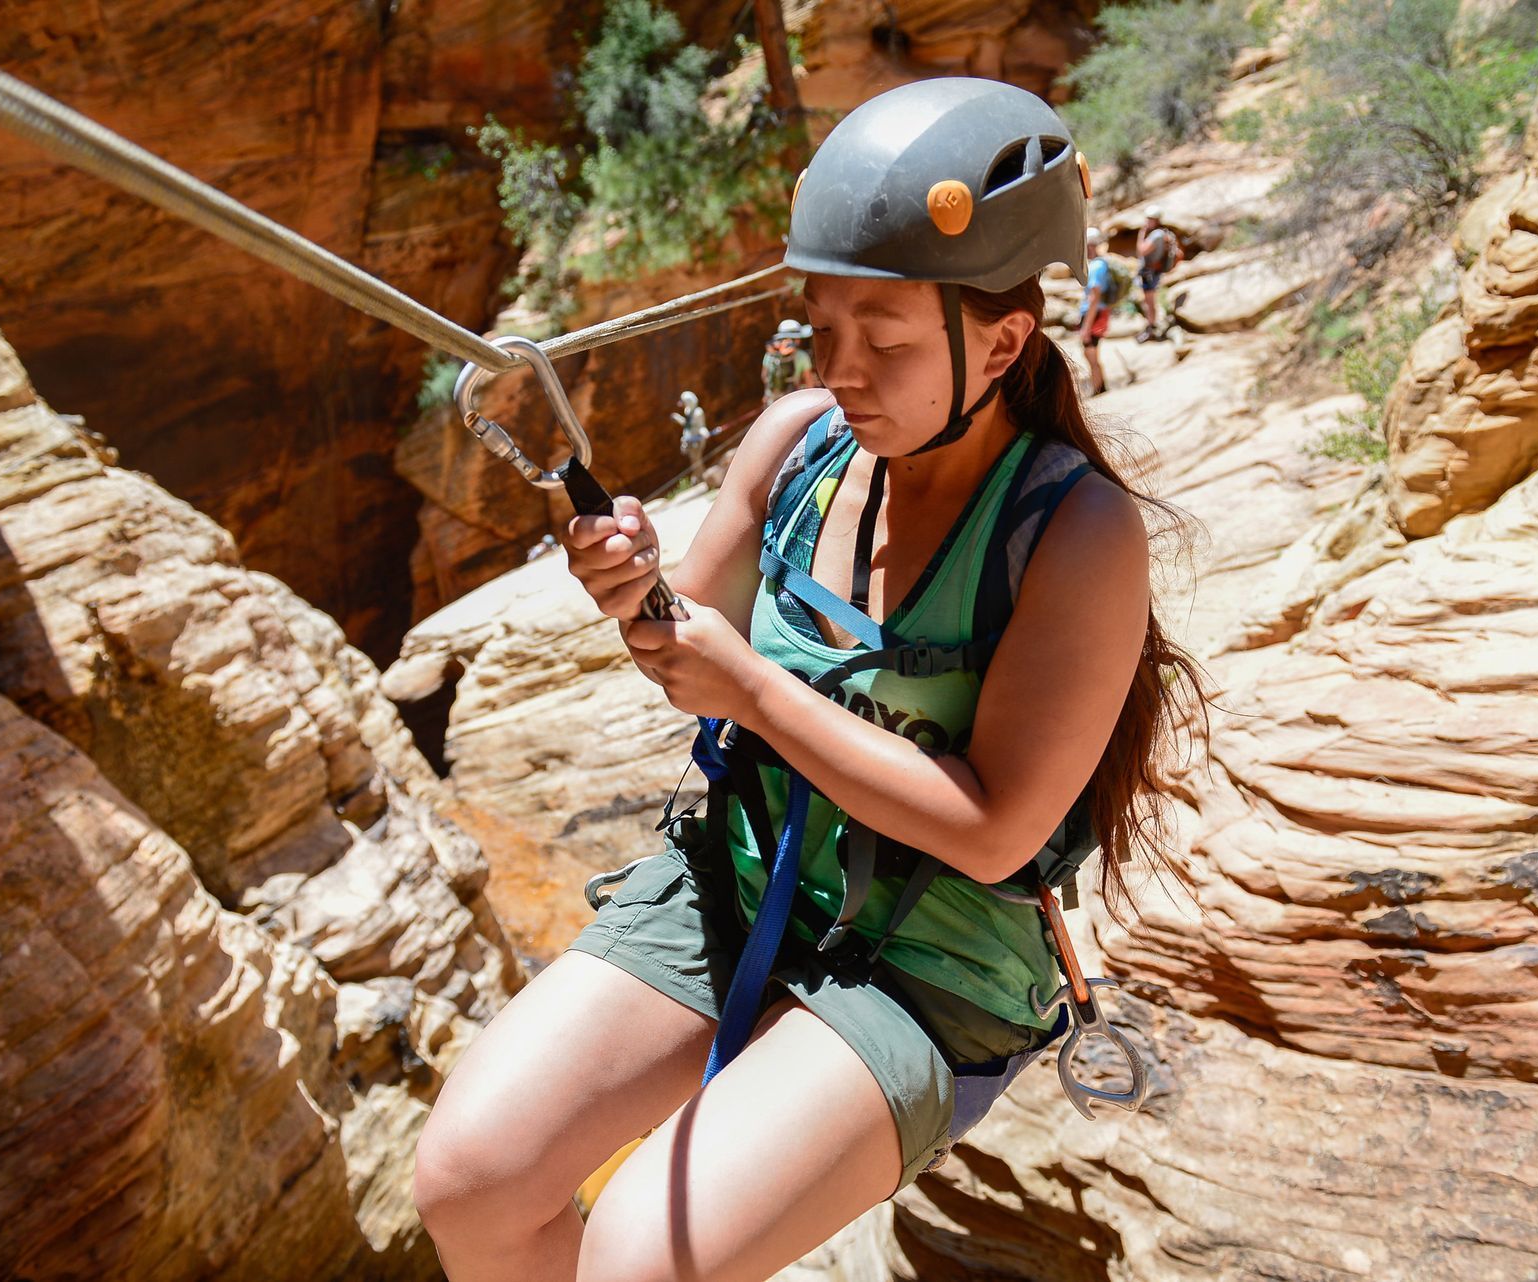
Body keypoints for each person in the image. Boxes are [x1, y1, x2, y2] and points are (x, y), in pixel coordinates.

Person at [412, 76, 1200, 1282]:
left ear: (1001, 341)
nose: (841, 367)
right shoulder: (796, 447)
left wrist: (758, 691)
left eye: (883, 338)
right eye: (822, 327)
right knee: (468, 1184)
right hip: (743, 870)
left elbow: (994, 831)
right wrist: (635, 591)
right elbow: (687, 660)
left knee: (638, 1255)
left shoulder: (1078, 533)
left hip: (935, 963)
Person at [1136, 205, 1183, 340]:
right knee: (1149, 301)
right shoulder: (1164, 233)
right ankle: (1152, 326)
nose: (1147, 222)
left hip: (1149, 273)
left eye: (1149, 219)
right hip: (1153, 271)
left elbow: (1141, 250)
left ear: (1155, 220)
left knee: (1149, 302)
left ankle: (1151, 328)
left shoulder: (1156, 235)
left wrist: (1141, 234)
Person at [1077, 226, 1114, 394]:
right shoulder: (1101, 264)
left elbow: (1094, 297)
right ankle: (1099, 385)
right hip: (1099, 313)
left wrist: (1086, 327)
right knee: (1091, 352)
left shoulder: (1096, 267)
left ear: (1090, 245)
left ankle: (1098, 388)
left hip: (1094, 314)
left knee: (1090, 352)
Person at [761, 317, 819, 406]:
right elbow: (809, 382)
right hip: (792, 402)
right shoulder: (802, 356)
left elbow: (764, 376)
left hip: (773, 401)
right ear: (796, 340)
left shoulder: (770, 355)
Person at [673, 389, 710, 477]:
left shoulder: (698, 412)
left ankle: (703, 477)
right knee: (694, 461)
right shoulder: (688, 412)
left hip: (697, 440)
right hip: (690, 439)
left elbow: (701, 426)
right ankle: (699, 477)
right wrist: (678, 419)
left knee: (697, 460)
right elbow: (688, 425)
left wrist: (704, 432)